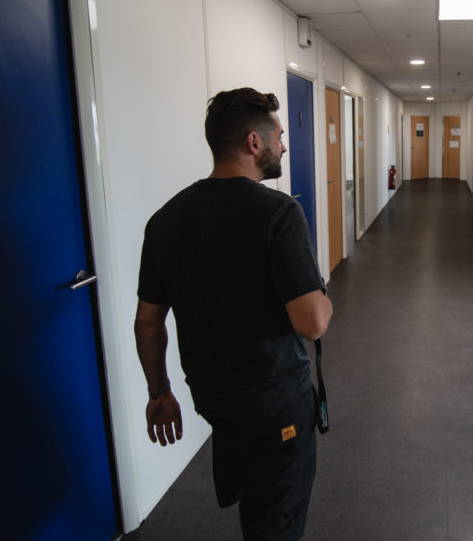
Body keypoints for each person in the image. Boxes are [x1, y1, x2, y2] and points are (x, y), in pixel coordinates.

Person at [134, 87, 332, 540]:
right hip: (275, 401)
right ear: (253, 143)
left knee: (254, 499)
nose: (284, 146)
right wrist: (321, 294)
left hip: (214, 401)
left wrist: (159, 392)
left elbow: (147, 322)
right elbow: (313, 322)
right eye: (279, 136)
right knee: (276, 519)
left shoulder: (165, 220)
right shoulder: (279, 212)